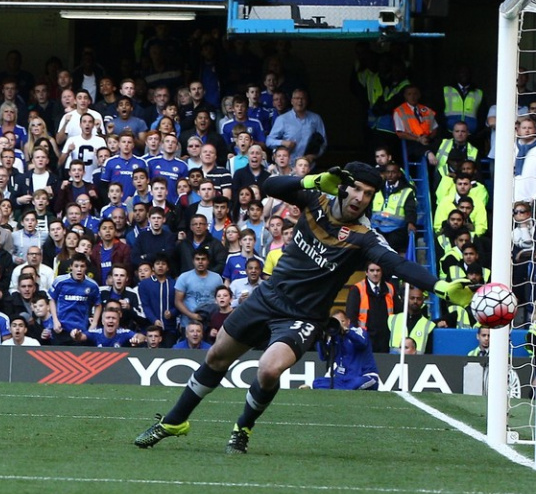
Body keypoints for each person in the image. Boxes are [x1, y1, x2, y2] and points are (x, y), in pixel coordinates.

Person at [133, 163, 472, 454]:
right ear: (342, 186)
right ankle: (176, 421)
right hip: (268, 296)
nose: (360, 198)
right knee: (217, 357)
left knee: (268, 369)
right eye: (355, 189)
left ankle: (243, 428)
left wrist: (439, 286)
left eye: (368, 194)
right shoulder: (316, 198)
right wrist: (309, 180)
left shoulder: (364, 237)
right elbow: (267, 186)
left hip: (303, 317)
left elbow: (397, 263)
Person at [311, 311, 379, 390]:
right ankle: (344, 389)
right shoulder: (334, 338)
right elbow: (323, 357)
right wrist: (321, 339)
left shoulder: (359, 331)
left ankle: (341, 389)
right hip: (344, 380)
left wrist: (347, 332)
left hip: (364, 376)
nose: (340, 324)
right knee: (317, 382)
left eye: (342, 321)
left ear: (348, 321)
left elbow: (362, 342)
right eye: (336, 322)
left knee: (356, 383)